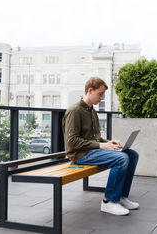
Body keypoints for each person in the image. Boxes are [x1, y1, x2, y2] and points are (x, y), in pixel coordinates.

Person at [62, 77, 139, 216]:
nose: (102, 97)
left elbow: (94, 138)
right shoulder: (75, 111)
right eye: (100, 94)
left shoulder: (92, 111)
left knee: (133, 155)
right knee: (122, 158)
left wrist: (108, 142)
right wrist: (100, 145)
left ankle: (121, 196)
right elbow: (72, 141)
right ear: (90, 90)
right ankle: (108, 201)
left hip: (91, 150)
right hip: (80, 154)